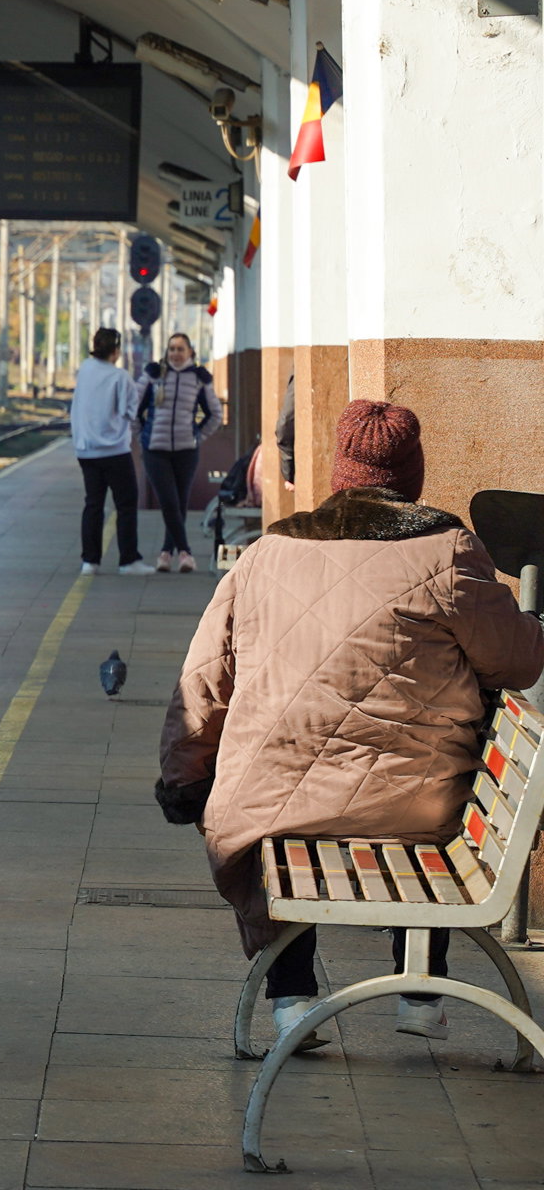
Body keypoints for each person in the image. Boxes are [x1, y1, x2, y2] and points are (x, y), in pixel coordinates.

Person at [159, 401, 544, 1046]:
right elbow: (519, 662)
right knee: (427, 785)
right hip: (414, 810)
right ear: (412, 477)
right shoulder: (447, 552)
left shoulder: (266, 553)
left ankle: (291, 1002)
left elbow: (203, 683)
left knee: (275, 814)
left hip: (272, 806)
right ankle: (420, 994)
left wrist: (183, 778)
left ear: (341, 473)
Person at [136, 332, 222, 572]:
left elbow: (215, 414)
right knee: (169, 501)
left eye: (180, 349)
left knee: (179, 502)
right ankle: (186, 553)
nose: (175, 353)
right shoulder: (153, 375)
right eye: (171, 348)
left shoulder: (199, 378)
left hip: (186, 451)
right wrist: (142, 436)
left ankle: (165, 554)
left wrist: (198, 437)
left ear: (190, 352)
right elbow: (134, 408)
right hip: (155, 451)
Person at [71, 327, 151, 576]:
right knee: (126, 504)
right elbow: (130, 411)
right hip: (115, 450)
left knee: (93, 504)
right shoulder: (120, 377)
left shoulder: (84, 369)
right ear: (115, 350)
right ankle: (128, 561)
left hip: (86, 450)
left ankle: (90, 562)